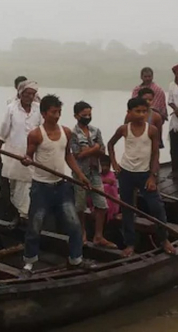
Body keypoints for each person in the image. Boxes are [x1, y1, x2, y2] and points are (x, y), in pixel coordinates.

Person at [20, 95, 90, 272]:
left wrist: (80, 175)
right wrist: (26, 160)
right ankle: (29, 262)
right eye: (53, 112)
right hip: (41, 188)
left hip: (62, 187)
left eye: (59, 111)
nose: (57, 115)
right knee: (35, 226)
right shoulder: (36, 134)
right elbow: (29, 156)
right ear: (44, 113)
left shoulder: (66, 132)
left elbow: (68, 155)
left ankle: (76, 259)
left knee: (74, 225)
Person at [107, 97, 176, 257]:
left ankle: (163, 239)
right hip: (126, 173)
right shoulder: (124, 129)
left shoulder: (151, 130)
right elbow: (110, 144)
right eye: (137, 111)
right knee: (128, 209)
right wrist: (114, 164)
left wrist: (153, 176)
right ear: (129, 113)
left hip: (145, 174)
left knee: (156, 207)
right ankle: (130, 243)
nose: (141, 114)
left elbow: (155, 154)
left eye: (145, 111)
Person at [70, 101, 116, 249]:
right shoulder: (73, 134)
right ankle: (82, 232)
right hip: (80, 173)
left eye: (89, 114)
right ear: (76, 116)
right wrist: (94, 148)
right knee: (80, 206)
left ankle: (98, 236)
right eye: (84, 115)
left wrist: (93, 149)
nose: (87, 117)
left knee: (102, 204)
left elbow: (102, 151)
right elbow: (77, 155)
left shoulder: (96, 131)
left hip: (95, 172)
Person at [0, 79, 42, 218]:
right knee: (15, 186)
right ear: (20, 93)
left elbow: (43, 130)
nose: (29, 97)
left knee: (27, 184)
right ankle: (18, 213)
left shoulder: (38, 109)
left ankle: (25, 215)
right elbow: (3, 133)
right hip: (14, 154)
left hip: (32, 155)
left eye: (32, 94)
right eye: (27, 94)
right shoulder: (12, 108)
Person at [99, 155, 120, 221]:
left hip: (111, 205)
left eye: (107, 166)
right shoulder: (97, 175)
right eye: (102, 166)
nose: (104, 168)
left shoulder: (112, 175)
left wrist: (102, 181)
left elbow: (110, 182)